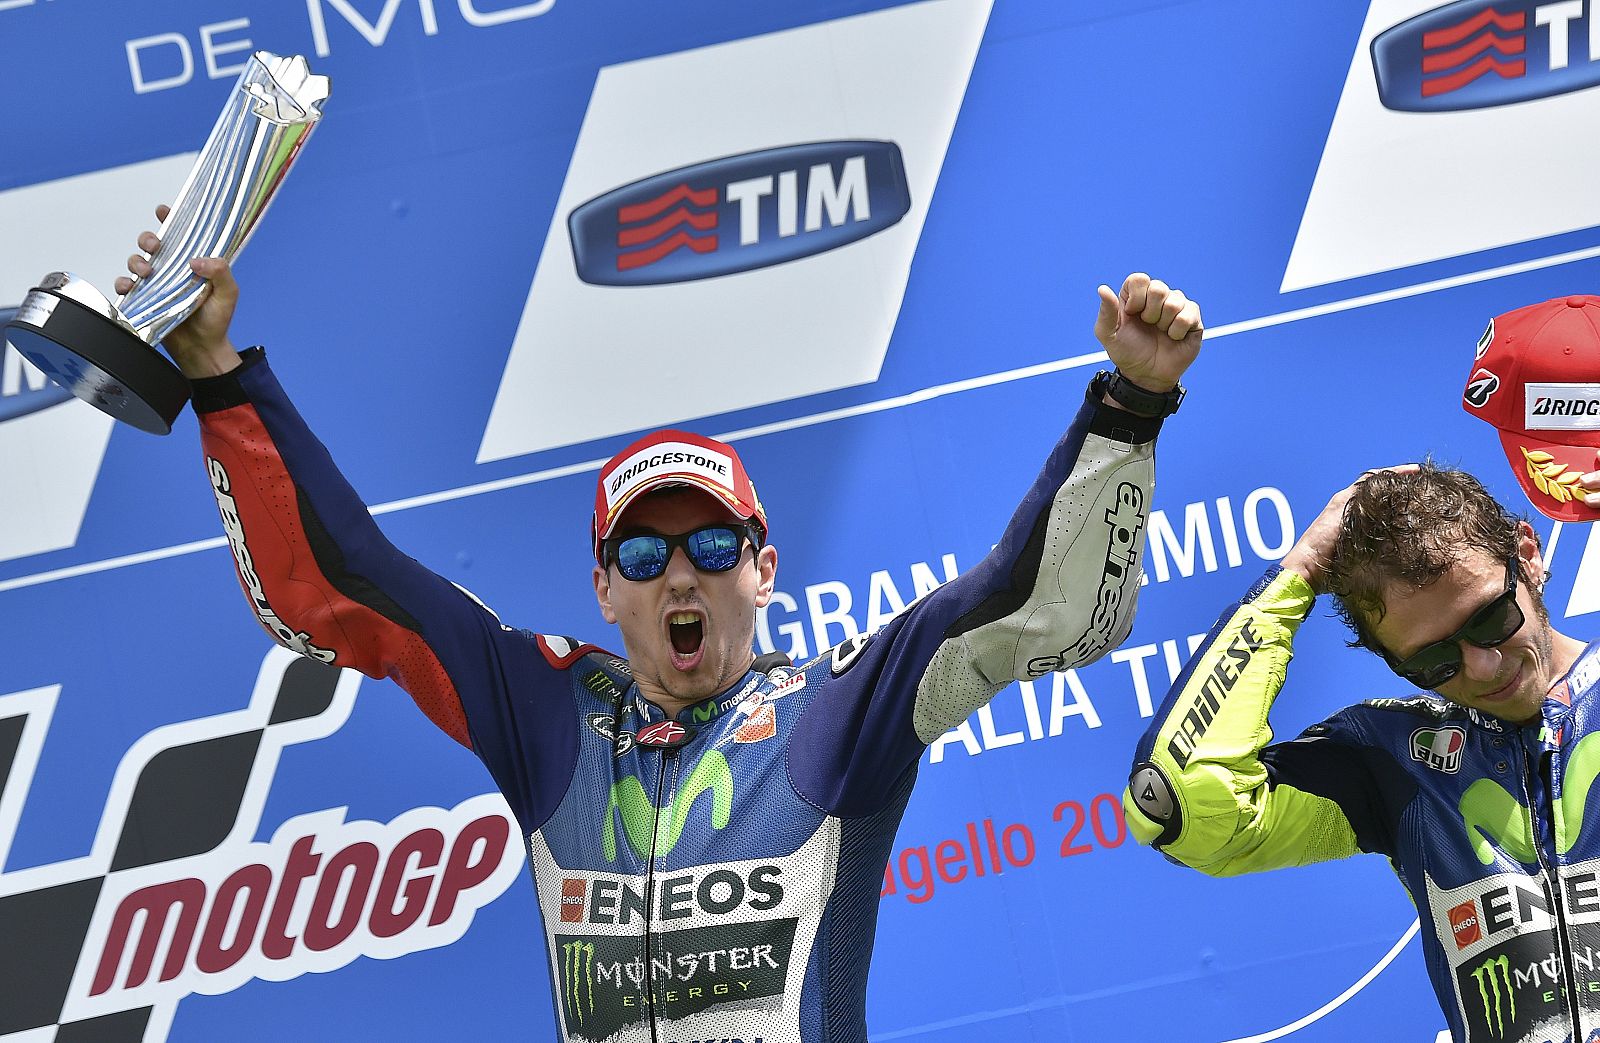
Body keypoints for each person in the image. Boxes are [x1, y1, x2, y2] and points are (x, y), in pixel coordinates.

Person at [120, 206, 1202, 1043]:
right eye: (643, 555)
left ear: (763, 571)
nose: (679, 573)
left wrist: (1129, 406)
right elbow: (348, 581)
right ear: (605, 590)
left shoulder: (839, 709)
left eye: (712, 545)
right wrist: (215, 371)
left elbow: (1025, 600)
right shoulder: (548, 709)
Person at [1123, 458, 1600, 1043]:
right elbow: (1184, 805)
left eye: (1490, 618)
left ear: (1527, 557)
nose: (1482, 666)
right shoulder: (1393, 755)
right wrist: (1297, 575)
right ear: (1387, 658)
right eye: (1432, 660)